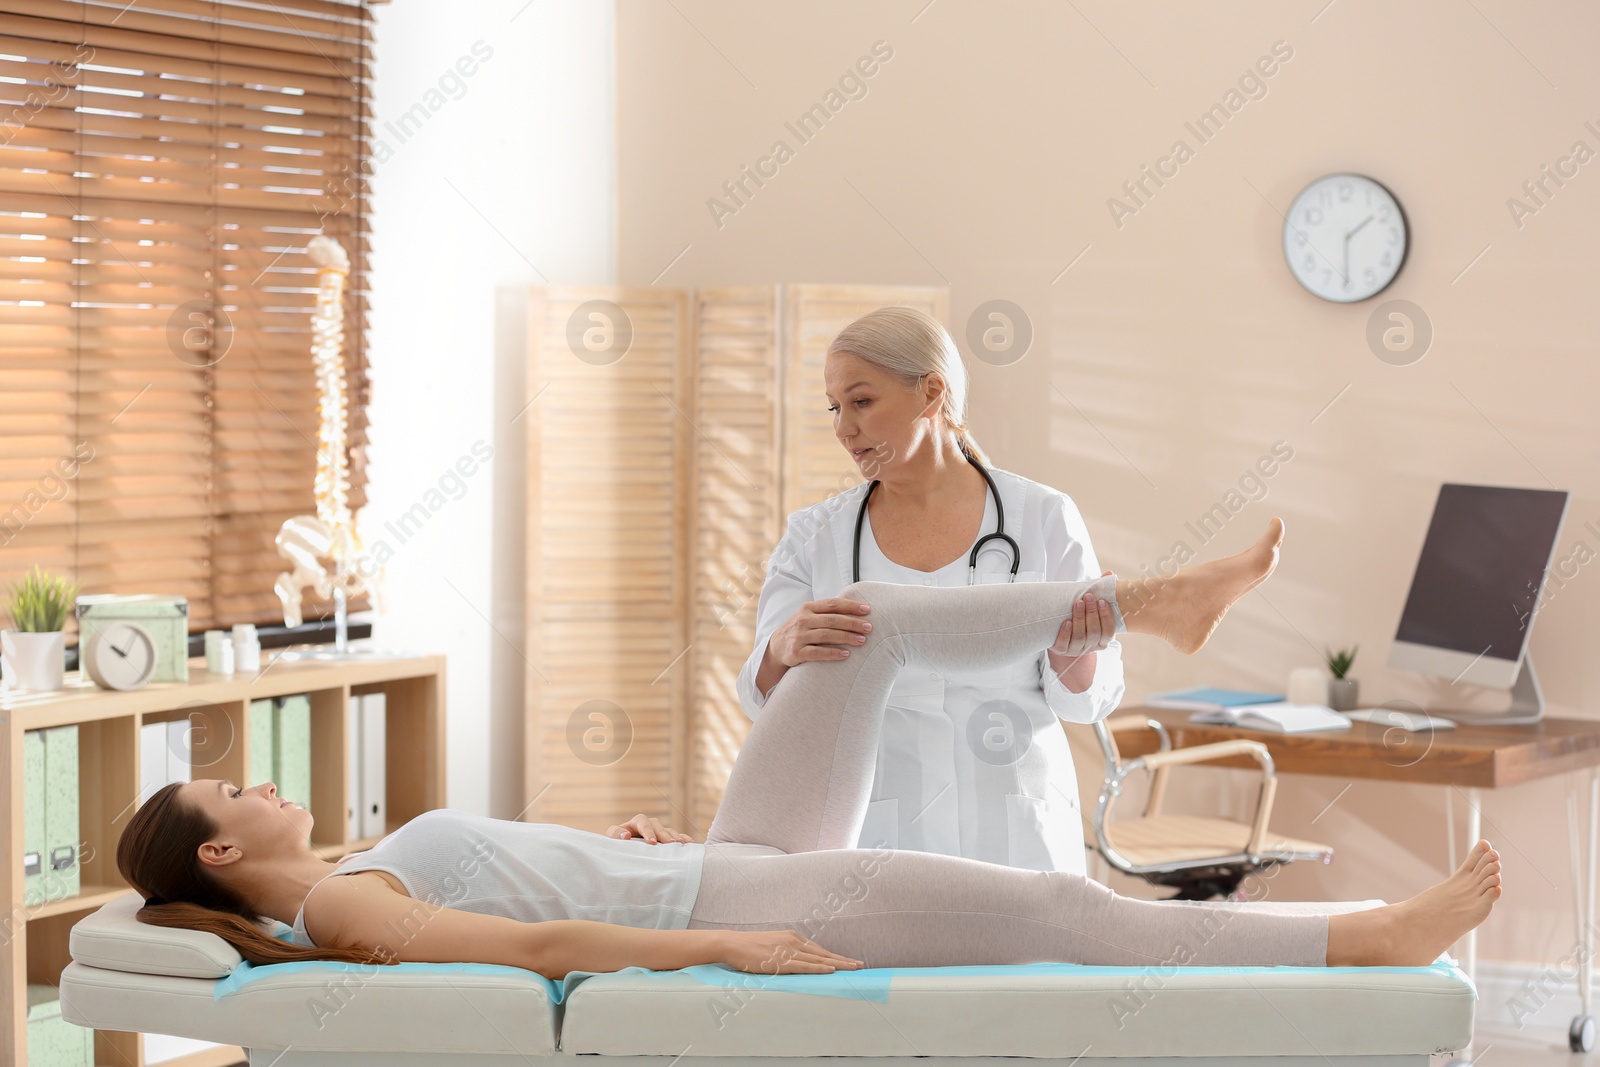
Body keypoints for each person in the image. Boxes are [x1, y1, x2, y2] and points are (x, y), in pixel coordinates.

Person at [118, 519, 1503, 979]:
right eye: (232, 789)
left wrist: (622, 846)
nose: (259, 778)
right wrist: (732, 946)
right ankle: (1361, 937)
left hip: (713, 855)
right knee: (1059, 907)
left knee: (862, 624)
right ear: (226, 850)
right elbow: (544, 951)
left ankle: (1152, 600)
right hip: (743, 900)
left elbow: (540, 889)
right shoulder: (343, 903)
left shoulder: (355, 866)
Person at [739, 306, 1121, 874]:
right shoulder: (815, 537)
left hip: (1015, 820)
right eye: (835, 407)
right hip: (881, 822)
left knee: (1025, 961)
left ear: (931, 392)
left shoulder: (1041, 516)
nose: (844, 427)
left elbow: (1089, 698)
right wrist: (778, 651)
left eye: (862, 401)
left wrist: (1074, 650)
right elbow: (765, 702)